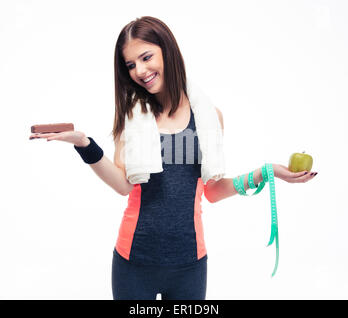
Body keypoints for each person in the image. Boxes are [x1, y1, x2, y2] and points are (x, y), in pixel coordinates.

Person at [29, 16, 318, 300]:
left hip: (189, 264)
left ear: (167, 51)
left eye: (146, 57)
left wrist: (265, 173)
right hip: (133, 261)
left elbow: (213, 191)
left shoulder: (208, 116)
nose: (140, 71)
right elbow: (123, 185)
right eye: (131, 65)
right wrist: (84, 144)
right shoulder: (132, 117)